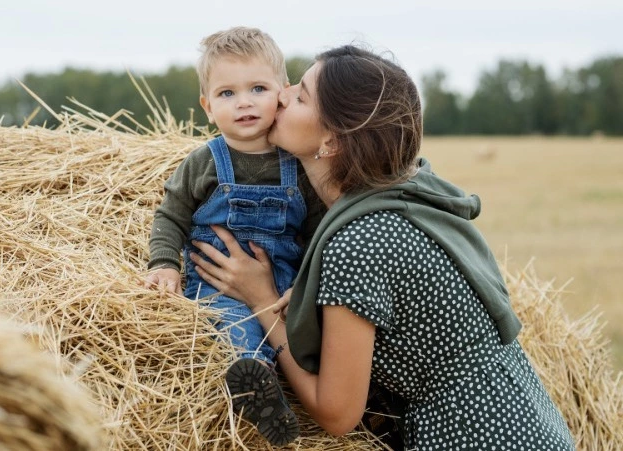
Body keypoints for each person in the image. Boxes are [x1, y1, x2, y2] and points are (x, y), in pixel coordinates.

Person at [189, 44, 576, 450]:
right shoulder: (404, 197)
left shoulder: (359, 242)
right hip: (529, 423)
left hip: (472, 436)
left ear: (333, 141)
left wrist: (261, 300)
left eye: (301, 95)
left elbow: (337, 413)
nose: (282, 92)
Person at [143, 26, 325, 446]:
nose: (243, 102)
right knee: (235, 331)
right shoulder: (203, 161)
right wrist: (165, 264)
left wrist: (303, 284)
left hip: (284, 285)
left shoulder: (297, 163)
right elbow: (170, 215)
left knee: (311, 337)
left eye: (257, 88)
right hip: (219, 286)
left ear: (282, 93)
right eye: (226, 94)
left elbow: (317, 233)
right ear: (207, 106)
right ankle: (259, 388)